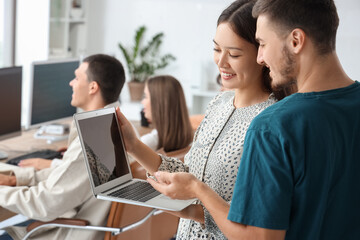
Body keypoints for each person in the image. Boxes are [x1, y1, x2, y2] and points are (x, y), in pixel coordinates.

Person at [148, 0, 360, 239]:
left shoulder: (272, 126)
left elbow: (260, 237)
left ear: (296, 41)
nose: (260, 58)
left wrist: (198, 190)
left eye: (262, 44)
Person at [116, 1, 292, 238]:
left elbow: (255, 221)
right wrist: (133, 146)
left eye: (234, 54)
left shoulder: (270, 121)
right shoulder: (218, 104)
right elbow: (189, 173)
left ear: (260, 55)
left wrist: (193, 208)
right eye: (217, 49)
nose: (221, 62)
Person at [0, 54, 129, 239]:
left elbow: (44, 205)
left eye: (77, 78)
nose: (71, 83)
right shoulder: (116, 124)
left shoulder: (95, 139)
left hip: (72, 232)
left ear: (93, 87)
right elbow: (70, 176)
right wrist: (16, 179)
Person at [140, 75, 193, 153]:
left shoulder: (148, 142)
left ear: (158, 103)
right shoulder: (188, 138)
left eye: (146, 96)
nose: (142, 102)